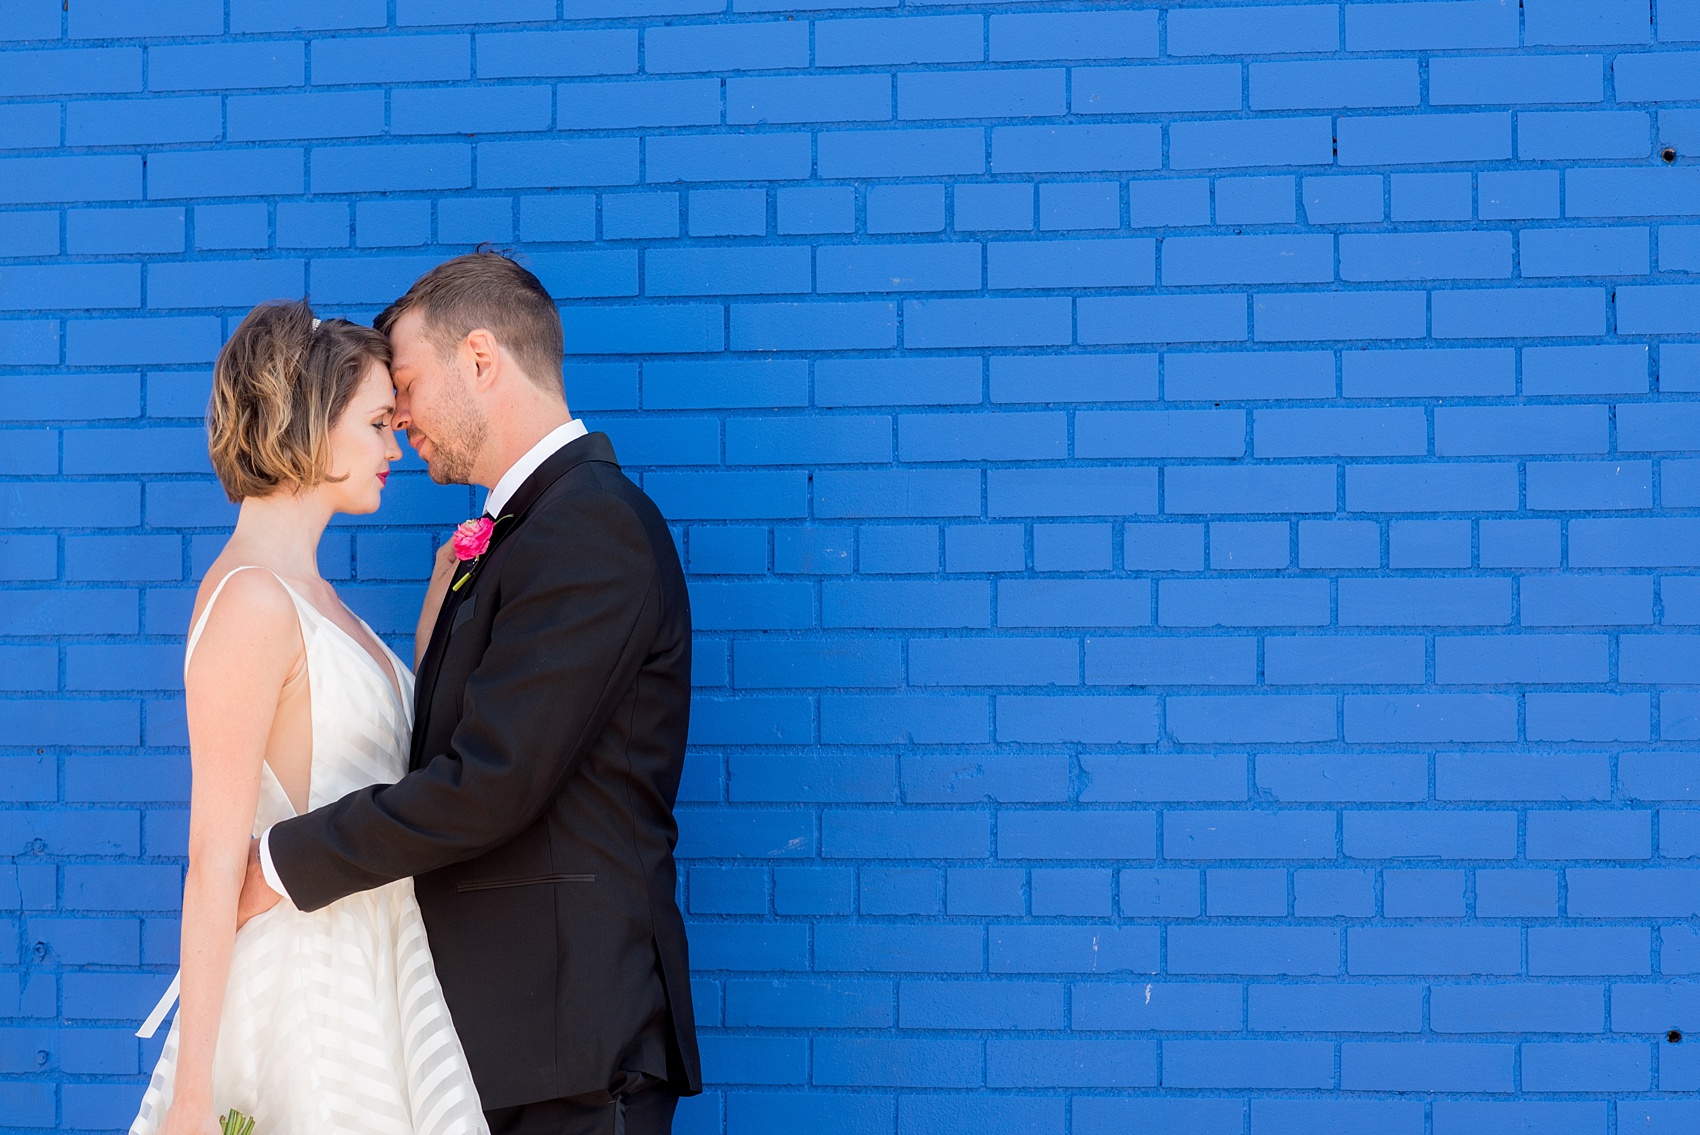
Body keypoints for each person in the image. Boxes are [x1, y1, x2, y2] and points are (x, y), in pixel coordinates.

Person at [238, 253, 700, 1135]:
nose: (397, 412)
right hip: (507, 1041)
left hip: (569, 1043)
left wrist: (278, 863)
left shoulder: (590, 527)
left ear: (481, 359)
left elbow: (492, 782)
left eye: (405, 380)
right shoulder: (526, 535)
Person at [131, 301, 488, 1135]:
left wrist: (436, 619)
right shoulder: (252, 600)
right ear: (312, 425)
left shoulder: (318, 599)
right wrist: (192, 1097)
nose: (394, 446)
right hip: (308, 994)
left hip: (379, 973)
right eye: (375, 424)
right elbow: (215, 855)